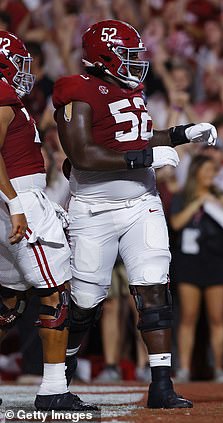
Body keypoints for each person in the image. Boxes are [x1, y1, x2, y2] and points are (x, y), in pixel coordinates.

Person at [51, 20, 217, 409]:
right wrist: (143, 157)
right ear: (104, 57)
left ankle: (161, 384)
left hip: (142, 203)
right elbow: (82, 154)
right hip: (94, 209)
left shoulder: (129, 90)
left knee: (154, 288)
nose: (135, 63)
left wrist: (182, 133)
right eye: (127, 55)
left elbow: (138, 136)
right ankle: (62, 373)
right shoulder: (76, 91)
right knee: (86, 301)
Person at [0, 30, 94, 411]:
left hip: (15, 199)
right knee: (57, 297)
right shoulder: (3, 95)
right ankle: (53, 389)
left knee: (9, 302)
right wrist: (14, 202)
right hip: (19, 199)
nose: (26, 71)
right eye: (19, 62)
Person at [170, 155, 223, 383]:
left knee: (217, 317)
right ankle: (184, 368)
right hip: (189, 261)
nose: (211, 175)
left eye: (214, 171)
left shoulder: (221, 196)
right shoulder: (183, 196)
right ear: (196, 173)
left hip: (216, 260)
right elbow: (176, 223)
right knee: (188, 317)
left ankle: (219, 368)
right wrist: (198, 202)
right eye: (207, 170)